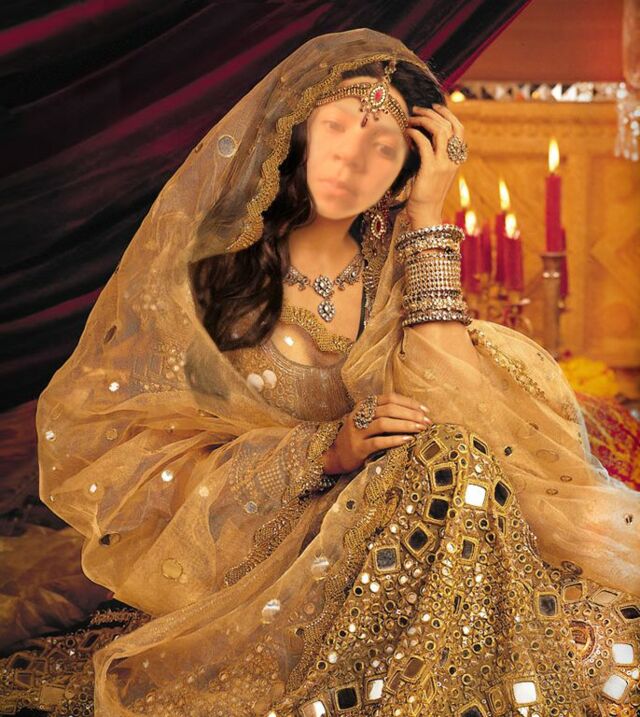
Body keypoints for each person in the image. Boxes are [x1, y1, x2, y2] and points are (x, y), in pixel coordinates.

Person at [7, 27, 639, 717]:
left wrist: (429, 215)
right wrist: (324, 450)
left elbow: (458, 401)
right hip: (258, 555)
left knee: (455, 455)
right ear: (299, 130)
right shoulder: (208, 275)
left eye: (384, 146)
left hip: (397, 538)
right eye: (338, 125)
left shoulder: (396, 271)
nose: (351, 157)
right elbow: (147, 459)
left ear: (404, 171)